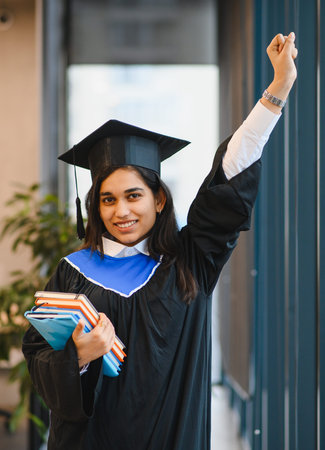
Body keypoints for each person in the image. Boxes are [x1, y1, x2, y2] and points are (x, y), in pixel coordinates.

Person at [22, 33, 298, 450]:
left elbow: (227, 179)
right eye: (107, 200)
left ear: (159, 198)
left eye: (133, 196)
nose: (121, 212)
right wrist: (78, 355)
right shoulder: (71, 272)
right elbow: (38, 359)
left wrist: (276, 92)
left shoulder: (191, 260)